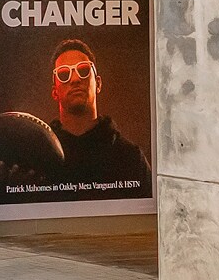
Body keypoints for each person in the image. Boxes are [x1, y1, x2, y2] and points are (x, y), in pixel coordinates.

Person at [48, 39, 151, 195]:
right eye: (64, 74)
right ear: (55, 91)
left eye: (83, 70)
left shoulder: (130, 158)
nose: (75, 79)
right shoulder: (40, 157)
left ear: (98, 83)